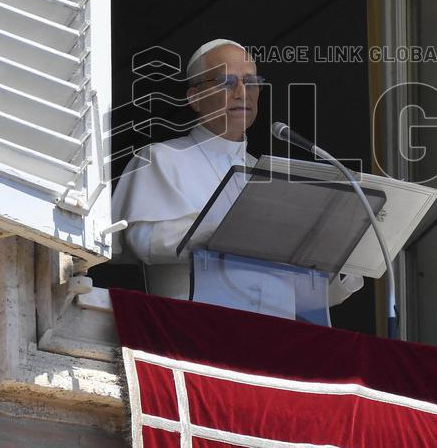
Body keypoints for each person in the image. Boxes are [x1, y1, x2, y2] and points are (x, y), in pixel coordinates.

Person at [112, 39, 362, 309]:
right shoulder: (160, 158)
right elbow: (144, 241)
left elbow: (303, 293)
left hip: (275, 333)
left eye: (251, 82)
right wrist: (231, 231)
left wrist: (341, 253)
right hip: (192, 329)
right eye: (227, 82)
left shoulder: (269, 175)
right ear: (194, 97)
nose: (242, 93)